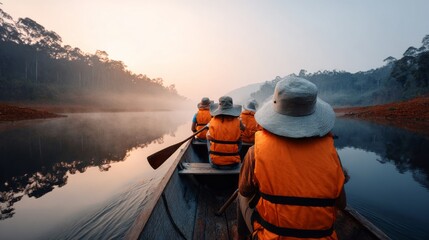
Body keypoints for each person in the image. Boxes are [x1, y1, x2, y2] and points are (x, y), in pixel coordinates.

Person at [237, 77, 348, 240]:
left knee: (241, 195)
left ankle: (241, 236)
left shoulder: (255, 152)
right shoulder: (332, 154)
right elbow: (342, 204)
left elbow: (245, 190)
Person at [206, 96, 245, 169]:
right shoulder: (238, 121)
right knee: (240, 136)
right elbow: (244, 129)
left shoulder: (213, 121)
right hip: (234, 164)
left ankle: (211, 154)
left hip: (215, 163)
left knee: (207, 136)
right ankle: (236, 155)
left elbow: (209, 136)